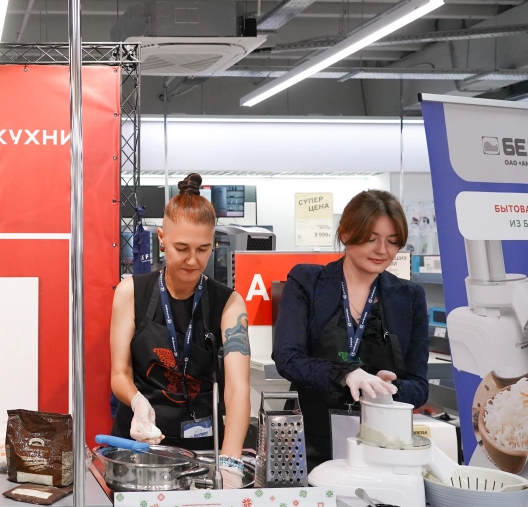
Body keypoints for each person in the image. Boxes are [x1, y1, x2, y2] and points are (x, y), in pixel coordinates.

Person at [110, 173, 252, 486]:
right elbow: (119, 373)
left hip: (203, 451)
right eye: (181, 248)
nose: (192, 260)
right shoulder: (131, 292)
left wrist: (230, 460)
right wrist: (137, 402)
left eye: (203, 249)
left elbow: (237, 388)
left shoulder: (228, 303)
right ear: (162, 238)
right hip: (141, 447)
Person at [272, 190, 429, 467]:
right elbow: (287, 357)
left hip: (382, 446)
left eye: (392, 241)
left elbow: (419, 387)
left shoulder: (409, 297)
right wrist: (346, 374)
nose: (382, 250)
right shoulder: (308, 282)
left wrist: (387, 388)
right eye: (371, 239)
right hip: (308, 445)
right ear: (345, 233)